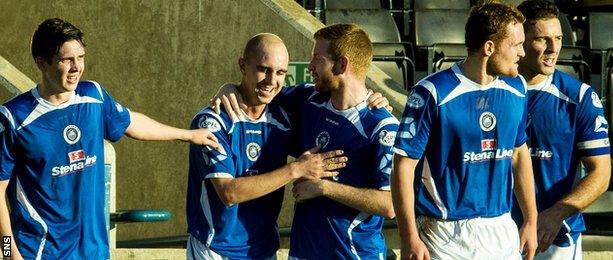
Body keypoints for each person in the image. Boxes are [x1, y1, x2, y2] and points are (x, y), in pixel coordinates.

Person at [0, 18, 220, 260]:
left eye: (81, 57)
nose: (76, 67)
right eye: (66, 60)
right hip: (41, 254)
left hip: (94, 253)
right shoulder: (14, 117)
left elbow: (132, 123)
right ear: (42, 63)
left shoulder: (93, 96)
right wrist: (10, 254)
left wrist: (187, 135)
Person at [391, 1, 538, 259]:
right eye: (516, 45)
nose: (522, 53)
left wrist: (531, 220)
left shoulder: (517, 89)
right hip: (445, 234)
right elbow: (403, 166)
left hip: (502, 229)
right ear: (489, 47)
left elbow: (518, 154)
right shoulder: (432, 92)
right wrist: (408, 236)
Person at [186, 33, 349, 259]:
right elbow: (229, 193)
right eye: (264, 69)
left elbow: (343, 90)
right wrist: (296, 169)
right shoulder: (212, 122)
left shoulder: (284, 117)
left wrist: (372, 99)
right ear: (243, 65)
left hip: (263, 250)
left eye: (281, 72)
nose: (272, 81)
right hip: (215, 250)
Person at [271, 23, 398, 259]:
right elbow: (258, 91)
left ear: (342, 64)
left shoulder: (382, 126)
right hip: (303, 253)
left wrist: (323, 188)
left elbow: (389, 204)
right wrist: (228, 90)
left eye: (317, 59)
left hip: (354, 254)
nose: (310, 66)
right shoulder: (309, 99)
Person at [514, 1, 612, 258]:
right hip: (497, 232)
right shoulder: (492, 93)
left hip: (554, 237)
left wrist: (557, 213)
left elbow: (601, 173)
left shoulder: (578, 97)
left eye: (557, 38)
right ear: (520, 41)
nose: (554, 48)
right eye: (542, 39)